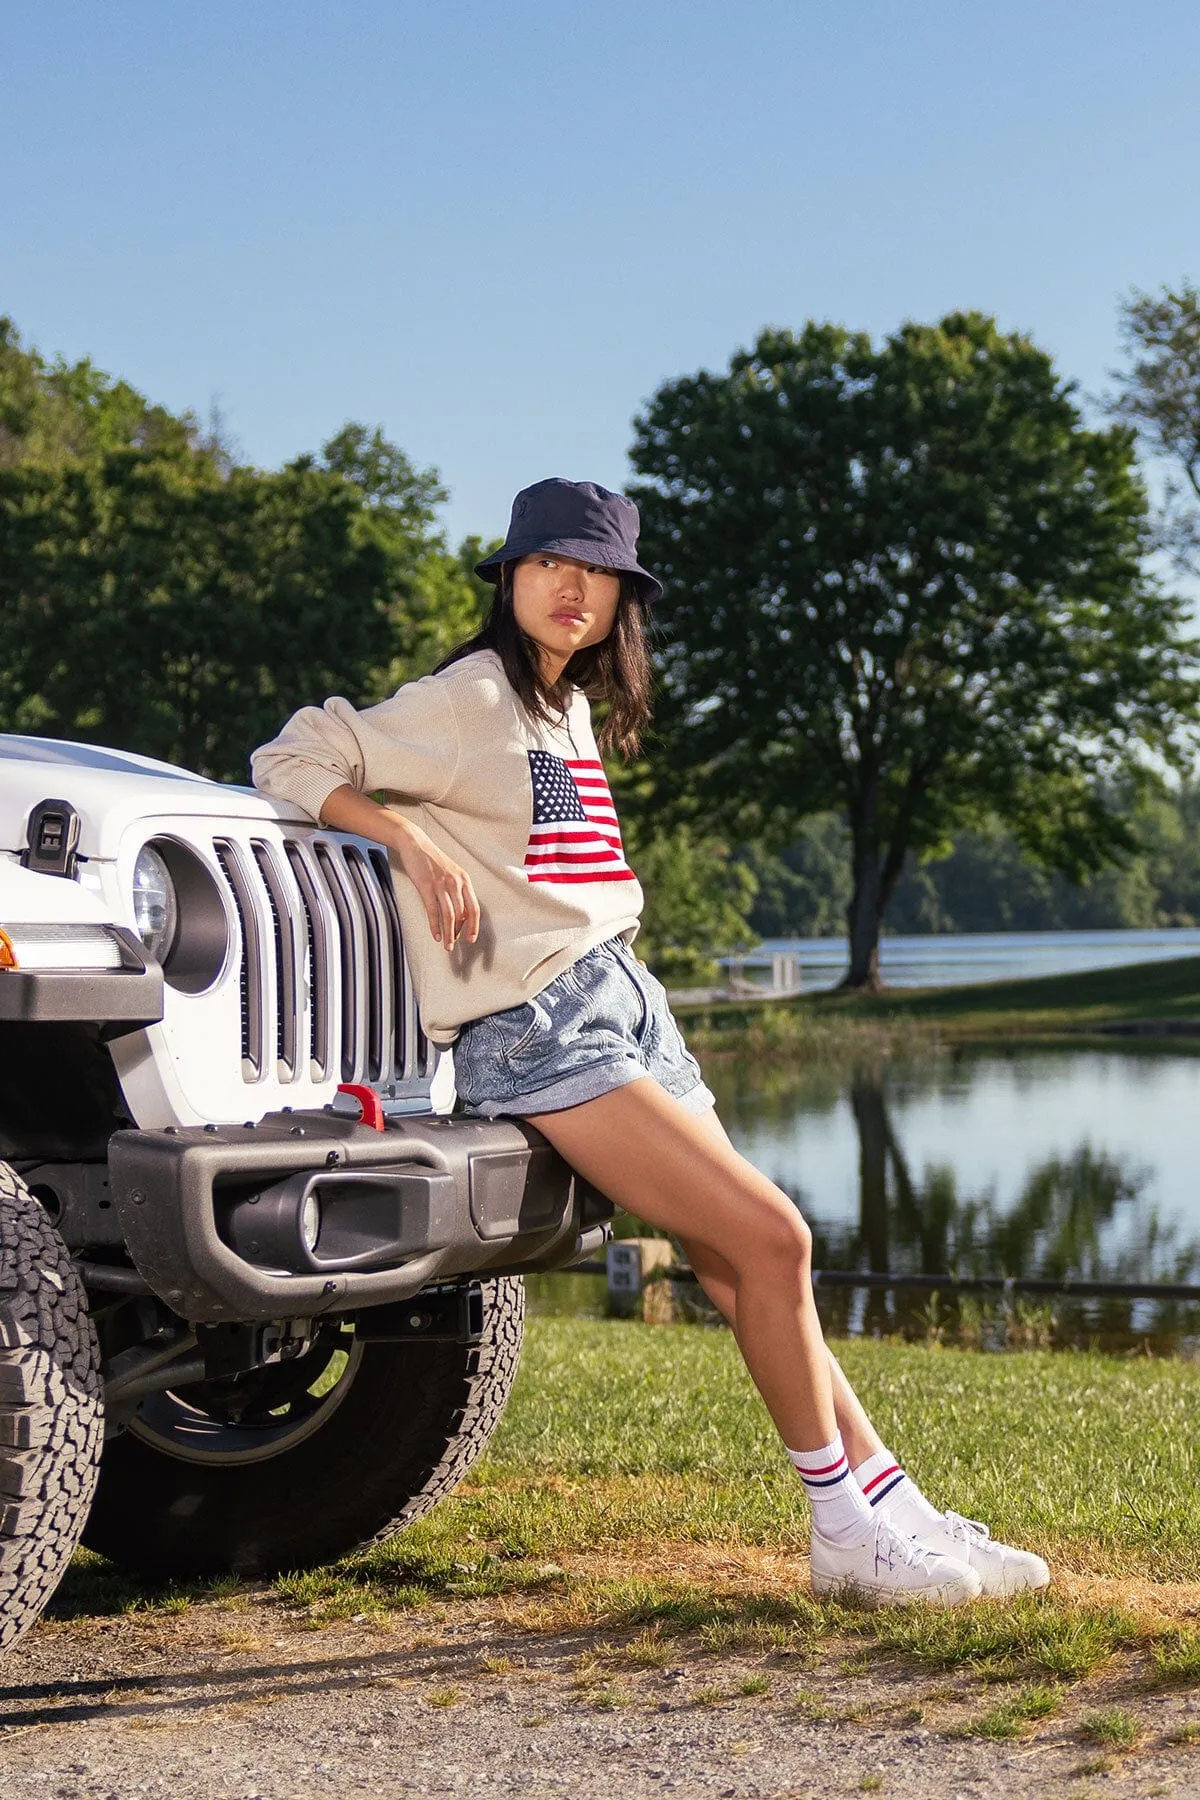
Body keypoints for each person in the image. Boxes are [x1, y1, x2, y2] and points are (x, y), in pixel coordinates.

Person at [252, 477, 1049, 1607]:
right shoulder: (470, 697)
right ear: (511, 578)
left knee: (744, 1268)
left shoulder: (563, 706)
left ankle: (891, 1505)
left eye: (595, 571)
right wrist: (403, 841)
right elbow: (291, 756)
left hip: (626, 1003)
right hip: (536, 1029)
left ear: (622, 594)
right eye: (547, 566)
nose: (570, 588)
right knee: (773, 1240)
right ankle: (840, 1531)